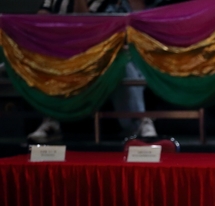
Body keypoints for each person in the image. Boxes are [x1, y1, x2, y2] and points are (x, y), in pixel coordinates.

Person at [27, 0, 157, 143]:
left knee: (123, 65)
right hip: (59, 49)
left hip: (93, 54)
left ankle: (138, 122)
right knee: (40, 61)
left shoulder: (101, 3)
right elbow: (40, 18)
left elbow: (86, 23)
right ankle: (51, 121)